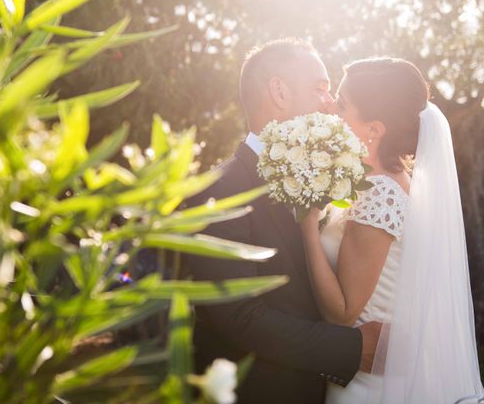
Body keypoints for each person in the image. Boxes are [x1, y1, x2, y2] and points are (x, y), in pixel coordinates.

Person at [183, 39, 381, 403]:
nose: (331, 102)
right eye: (320, 88)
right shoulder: (220, 189)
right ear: (279, 91)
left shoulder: (325, 177)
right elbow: (239, 315)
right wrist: (349, 349)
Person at [299, 58, 484, 403]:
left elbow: (343, 312)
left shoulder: (380, 193)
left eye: (342, 105)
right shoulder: (392, 184)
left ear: (374, 128)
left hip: (365, 386)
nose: (332, 114)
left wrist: (308, 228)